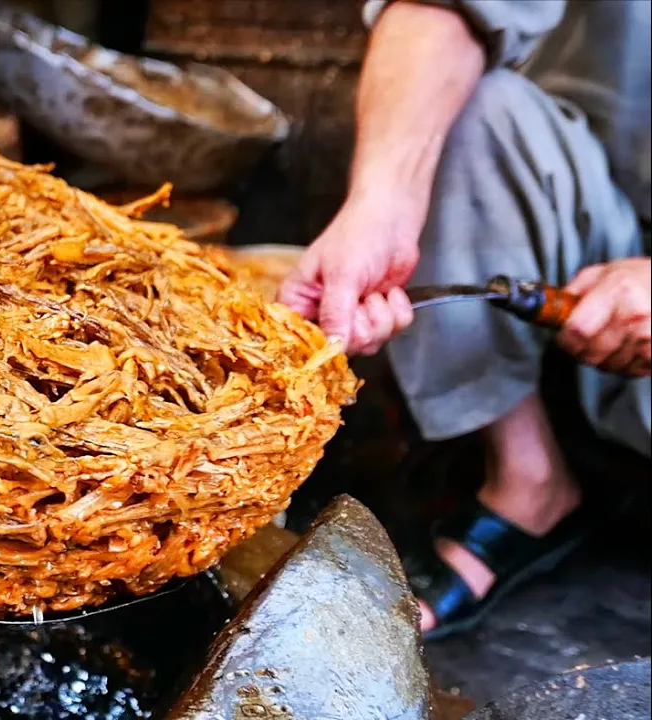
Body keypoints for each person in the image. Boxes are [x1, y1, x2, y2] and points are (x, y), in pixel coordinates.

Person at [279, 0, 651, 640]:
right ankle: (530, 479)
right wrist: (380, 206)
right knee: (468, 105)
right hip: (605, 209)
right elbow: (442, 9)